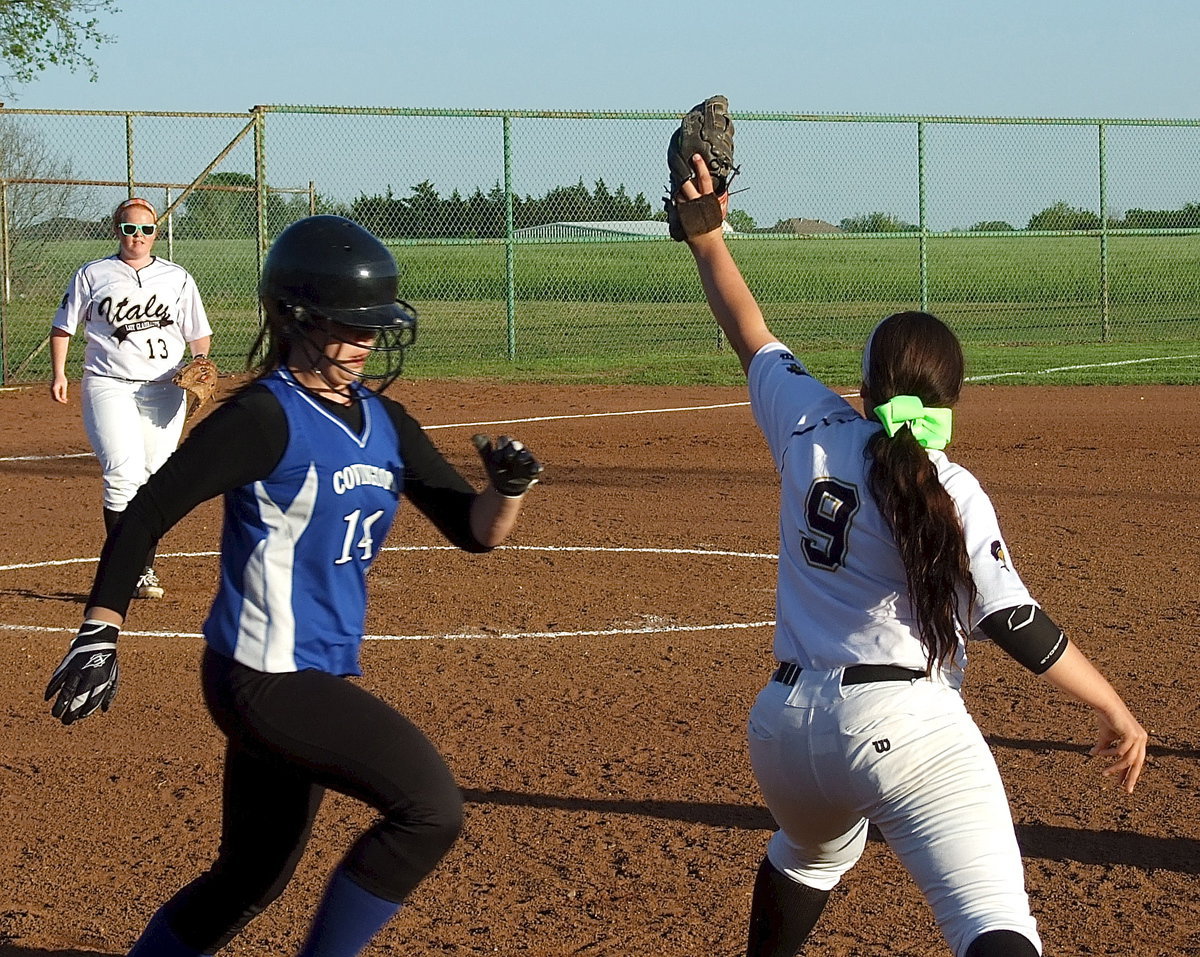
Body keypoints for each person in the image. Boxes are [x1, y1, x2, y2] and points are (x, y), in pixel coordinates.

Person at [672, 156, 1147, 957]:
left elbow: (748, 326)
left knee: (812, 848)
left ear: (863, 387)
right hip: (901, 727)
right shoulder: (951, 488)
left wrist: (705, 235)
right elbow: (1013, 620)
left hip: (784, 732)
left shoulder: (810, 426)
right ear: (952, 398)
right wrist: (1114, 705)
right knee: (995, 921)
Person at [44, 215, 544, 957]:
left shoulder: (384, 419)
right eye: (351, 324)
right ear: (298, 319)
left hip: (307, 671)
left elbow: (475, 530)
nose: (368, 340)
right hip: (263, 675)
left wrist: (510, 487)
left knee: (250, 875)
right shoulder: (263, 416)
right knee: (430, 808)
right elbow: (147, 510)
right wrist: (99, 627)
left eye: (377, 325)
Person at [49, 196, 213, 600]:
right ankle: (125, 571)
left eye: (145, 229)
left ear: (156, 233)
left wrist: (201, 360)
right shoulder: (93, 274)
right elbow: (63, 327)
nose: (137, 236)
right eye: (129, 228)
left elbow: (198, 332)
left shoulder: (177, 278)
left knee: (154, 479)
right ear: (116, 230)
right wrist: (59, 373)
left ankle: (142, 568)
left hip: (164, 389)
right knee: (123, 472)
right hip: (109, 383)